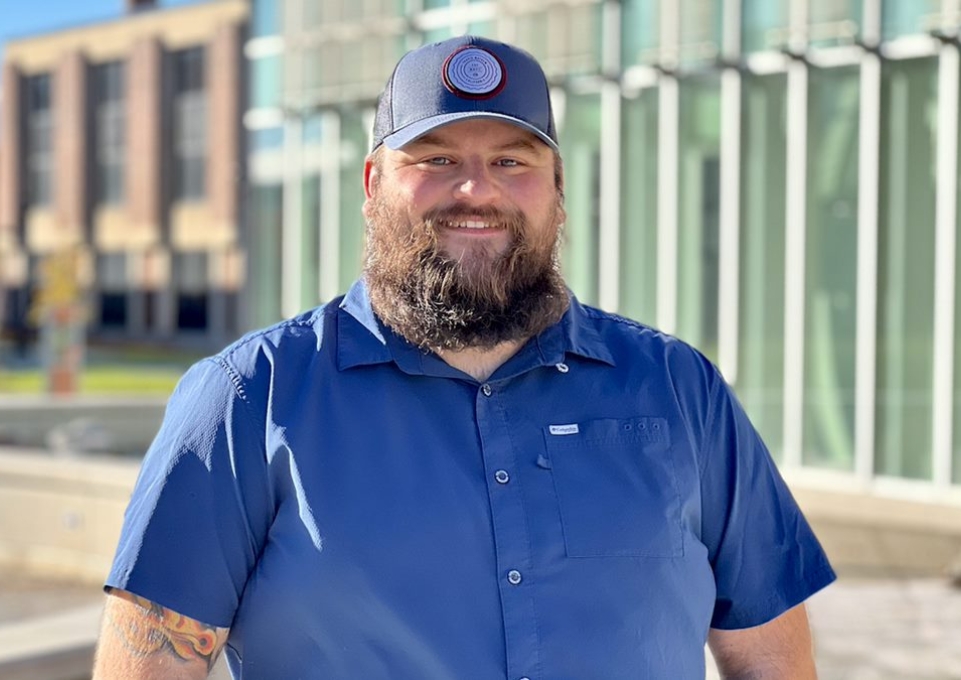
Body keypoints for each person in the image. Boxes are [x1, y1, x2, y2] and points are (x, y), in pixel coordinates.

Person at [93, 35, 836, 680]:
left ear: (557, 192)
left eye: (512, 161)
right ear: (373, 183)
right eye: (436, 158)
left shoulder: (679, 390)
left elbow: (768, 658)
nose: (474, 190)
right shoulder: (247, 399)